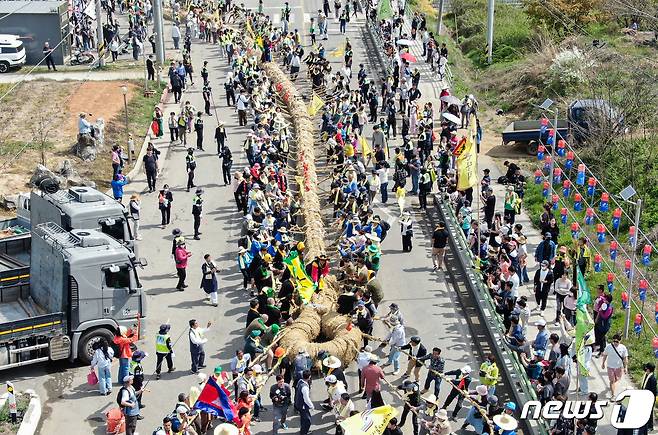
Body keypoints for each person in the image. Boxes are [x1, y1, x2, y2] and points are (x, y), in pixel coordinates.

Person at [639, 362, 656, 434]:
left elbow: (654, 391)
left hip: (649, 397)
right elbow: (643, 367)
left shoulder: (652, 378)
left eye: (646, 368)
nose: (645, 369)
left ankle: (650, 426)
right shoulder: (647, 374)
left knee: (649, 412)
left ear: (648, 369)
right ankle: (645, 423)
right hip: (644, 396)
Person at [294, 370, 314, 435]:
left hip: (298, 403)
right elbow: (306, 399)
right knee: (308, 421)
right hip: (303, 406)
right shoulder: (305, 387)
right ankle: (304, 432)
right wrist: (311, 406)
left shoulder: (300, 381)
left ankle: (303, 431)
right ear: (309, 377)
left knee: (303, 419)